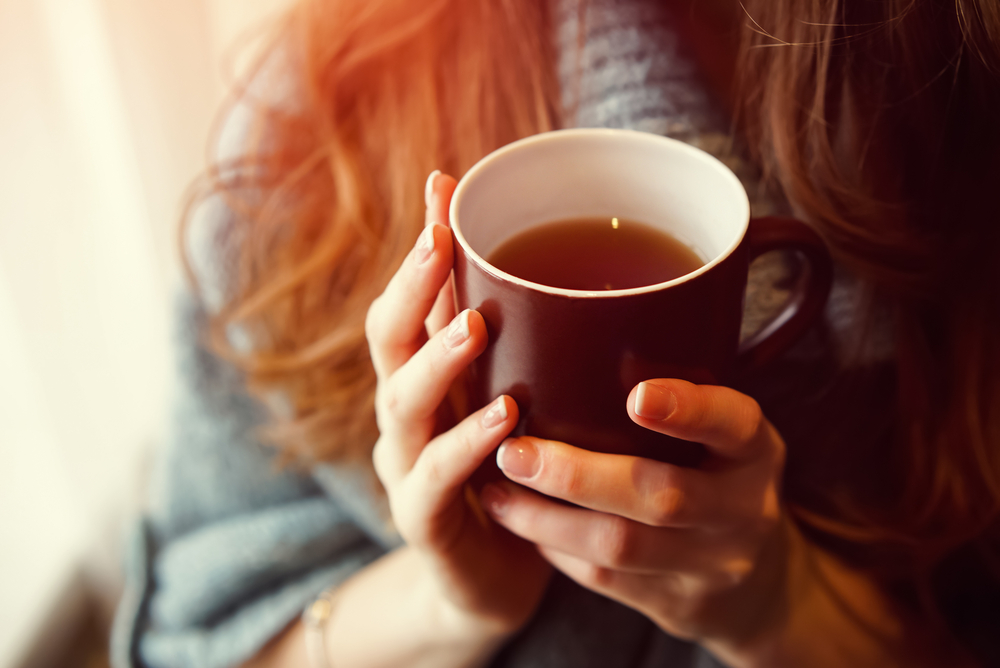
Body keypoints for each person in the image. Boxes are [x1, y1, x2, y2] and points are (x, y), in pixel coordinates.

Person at [111, 0, 1000, 666]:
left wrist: (783, 605)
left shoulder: (962, 101)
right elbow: (192, 638)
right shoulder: (322, 116)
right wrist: (448, 602)